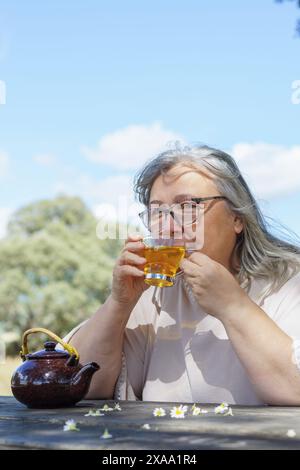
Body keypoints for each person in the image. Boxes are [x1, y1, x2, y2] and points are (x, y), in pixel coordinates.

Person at [64, 144, 300, 405]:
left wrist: (233, 306)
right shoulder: (154, 293)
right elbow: (78, 384)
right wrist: (118, 305)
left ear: (237, 217)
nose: (167, 227)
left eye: (188, 207)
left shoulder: (290, 283)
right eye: (157, 212)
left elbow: (295, 390)